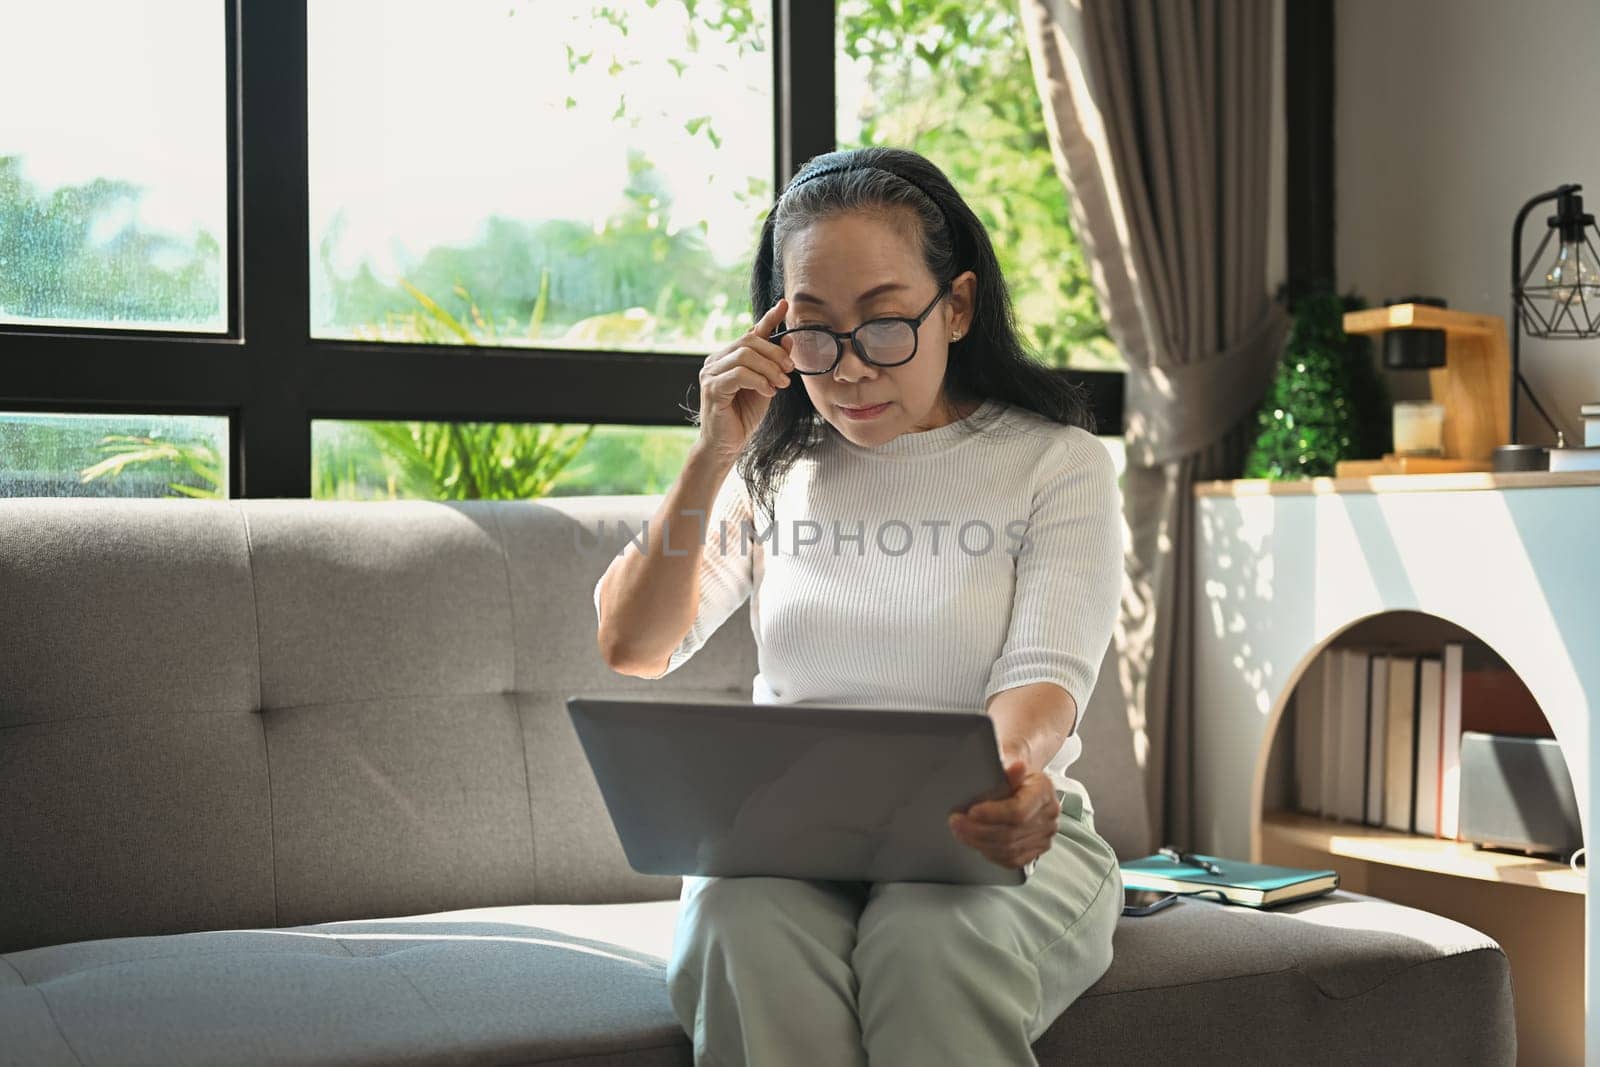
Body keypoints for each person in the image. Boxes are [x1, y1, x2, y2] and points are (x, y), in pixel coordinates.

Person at [592, 145, 1124, 1067]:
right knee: (738, 924)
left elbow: (1042, 682)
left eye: (884, 325)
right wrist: (713, 452)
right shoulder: (773, 470)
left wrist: (1006, 780)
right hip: (788, 837)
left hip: (985, 825)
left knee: (926, 943)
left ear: (955, 306)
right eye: (813, 332)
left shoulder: (1055, 464)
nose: (845, 371)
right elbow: (632, 645)